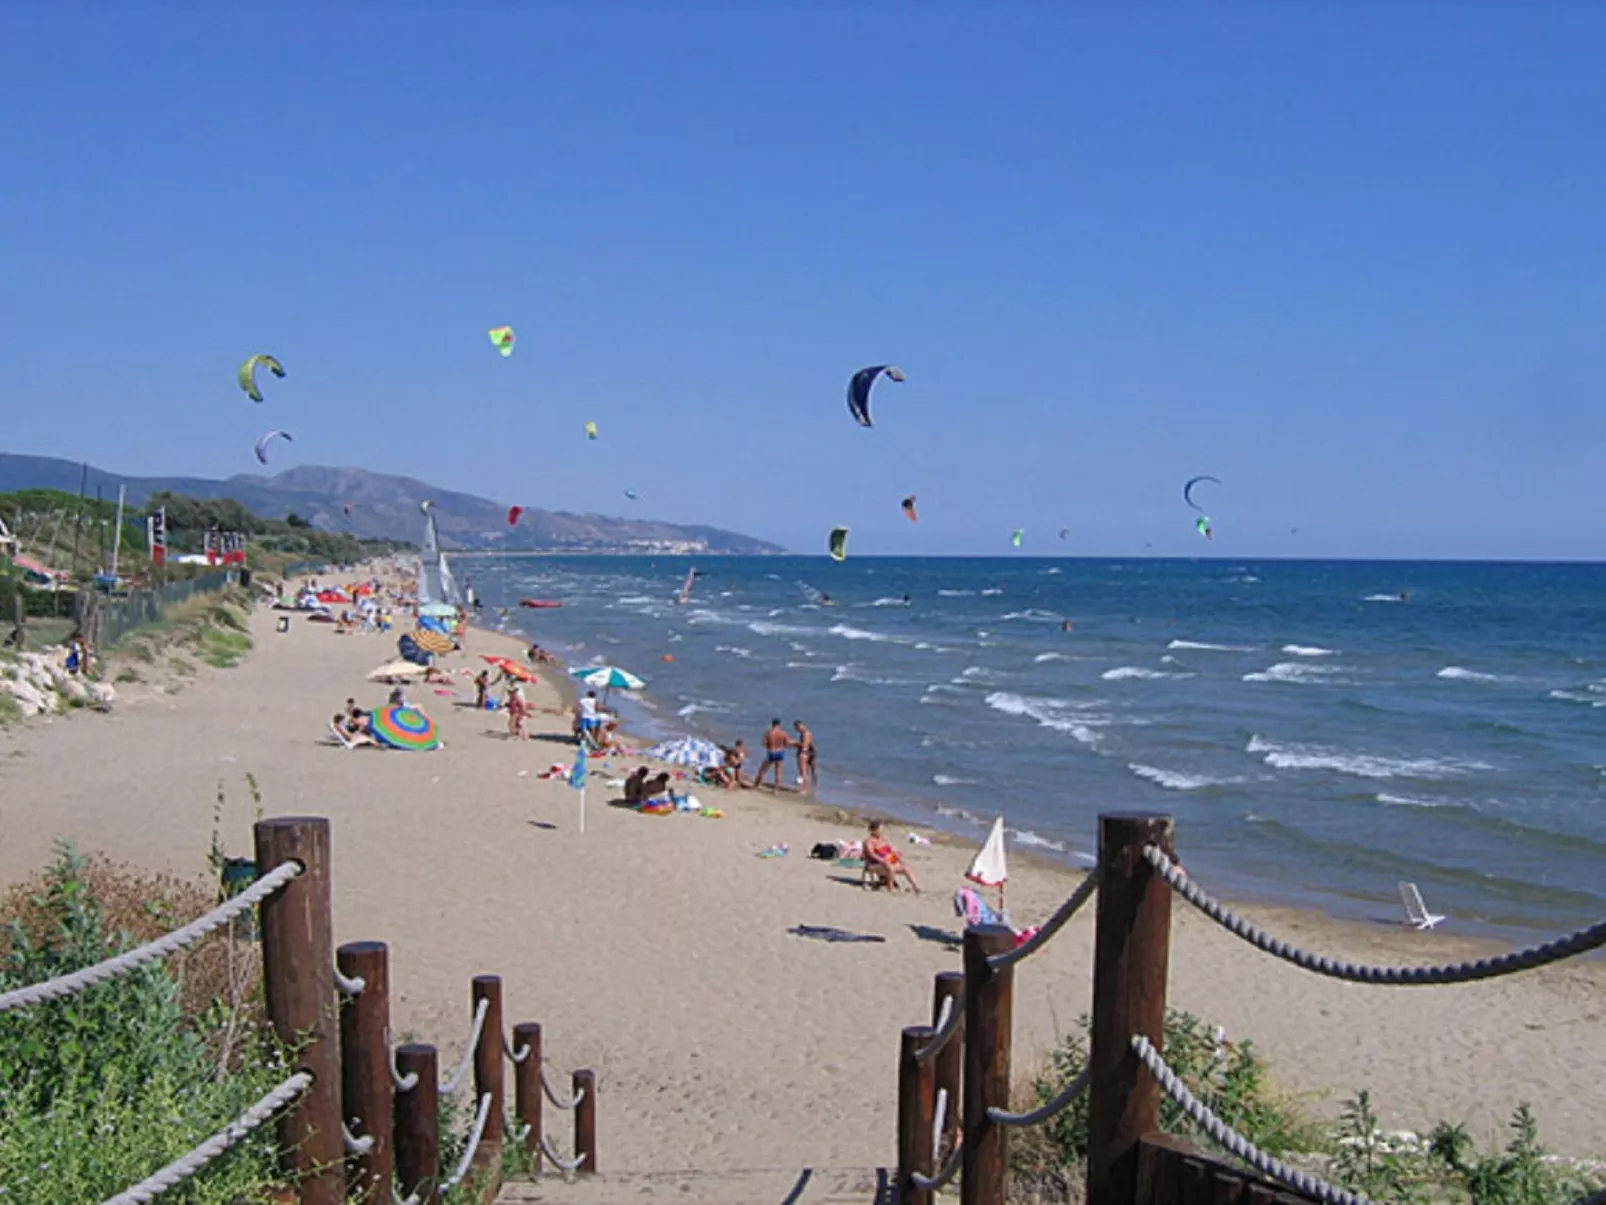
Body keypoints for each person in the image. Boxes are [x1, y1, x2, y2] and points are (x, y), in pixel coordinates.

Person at [864, 819, 921, 893]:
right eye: (880, 830)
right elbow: (871, 854)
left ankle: (916, 887)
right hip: (873, 865)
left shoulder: (882, 839)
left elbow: (890, 852)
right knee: (888, 866)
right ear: (874, 830)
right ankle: (890, 888)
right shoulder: (869, 841)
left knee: (905, 867)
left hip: (886, 862)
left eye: (882, 830)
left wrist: (897, 858)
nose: (881, 832)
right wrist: (882, 860)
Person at [752, 719, 791, 792]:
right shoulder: (783, 733)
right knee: (778, 772)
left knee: (762, 770)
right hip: (780, 752)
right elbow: (787, 743)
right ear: (779, 725)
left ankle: (755, 786)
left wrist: (769, 745)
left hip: (771, 752)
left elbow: (763, 744)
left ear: (772, 724)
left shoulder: (768, 733)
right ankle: (776, 790)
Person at [793, 720, 817, 791]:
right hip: (809, 752)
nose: (796, 730)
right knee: (812, 771)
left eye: (796, 728)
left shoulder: (804, 734)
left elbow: (803, 745)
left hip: (803, 753)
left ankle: (804, 789)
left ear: (799, 726)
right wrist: (813, 752)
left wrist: (795, 743)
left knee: (803, 772)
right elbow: (811, 743)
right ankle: (814, 787)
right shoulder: (808, 733)